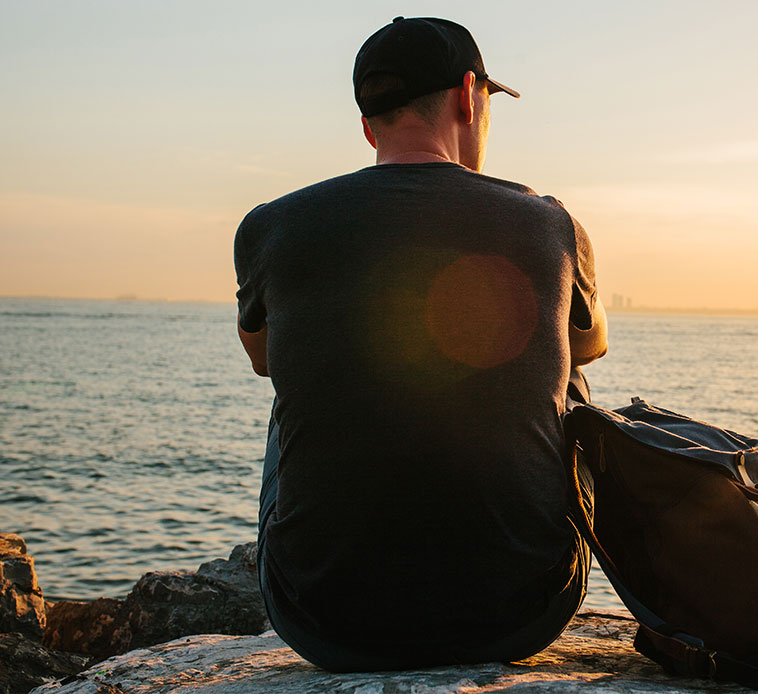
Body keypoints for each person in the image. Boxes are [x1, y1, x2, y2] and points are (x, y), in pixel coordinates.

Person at [233, 16, 607, 672]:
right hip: (523, 613)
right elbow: (591, 347)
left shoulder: (271, 226)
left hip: (322, 621)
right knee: (570, 369)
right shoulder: (550, 222)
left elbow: (265, 363)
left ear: (368, 124)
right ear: (469, 95)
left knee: (299, 372)